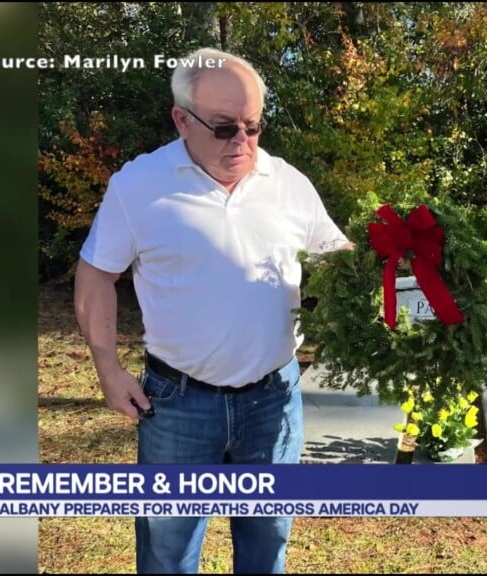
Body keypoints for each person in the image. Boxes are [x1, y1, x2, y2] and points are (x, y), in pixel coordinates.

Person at [73, 47, 351, 574]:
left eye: (253, 126)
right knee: (167, 550)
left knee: (267, 543)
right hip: (177, 405)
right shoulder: (138, 186)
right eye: (225, 128)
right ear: (182, 119)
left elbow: (341, 264)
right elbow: (96, 275)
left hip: (274, 400)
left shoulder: (288, 183)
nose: (242, 142)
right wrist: (107, 368)